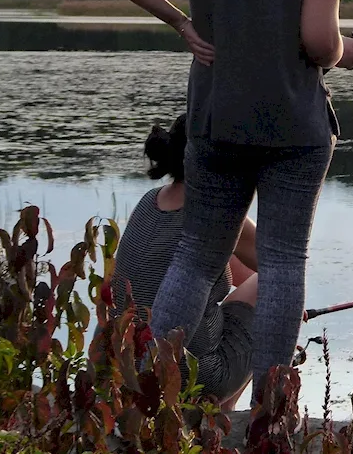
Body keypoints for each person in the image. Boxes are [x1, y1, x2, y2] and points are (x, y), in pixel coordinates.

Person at [95, 0, 353, 426]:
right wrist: (349, 52)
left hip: (216, 123)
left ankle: (152, 398)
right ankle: (271, 416)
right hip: (296, 130)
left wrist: (180, 21)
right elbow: (317, 43)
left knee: (197, 258)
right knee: (281, 266)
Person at [110, 115, 258, 411]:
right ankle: (225, 410)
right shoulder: (220, 214)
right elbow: (282, 266)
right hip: (196, 376)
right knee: (276, 287)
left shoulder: (150, 201)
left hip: (132, 366)